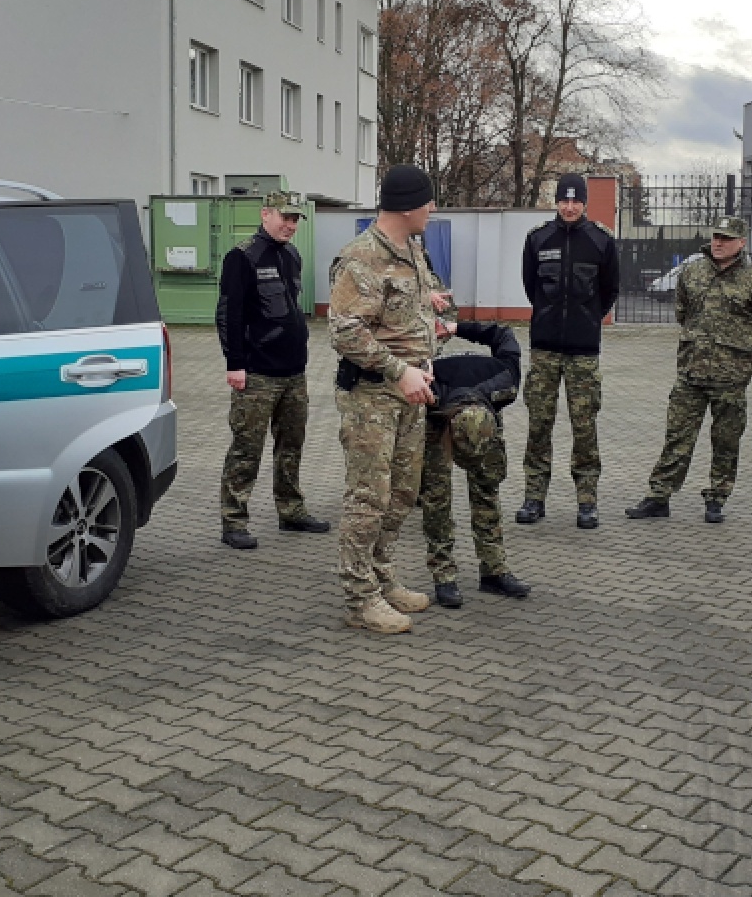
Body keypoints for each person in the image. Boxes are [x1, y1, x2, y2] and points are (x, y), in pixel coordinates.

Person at [327, 164, 439, 634]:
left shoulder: (412, 250)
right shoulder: (361, 258)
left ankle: (383, 578)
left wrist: (435, 326)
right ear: (410, 205)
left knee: (401, 494)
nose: (433, 210)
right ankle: (359, 598)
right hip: (373, 397)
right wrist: (400, 369)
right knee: (368, 498)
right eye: (430, 202)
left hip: (411, 395)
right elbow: (345, 331)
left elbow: (410, 310)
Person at [625, 215, 752, 524]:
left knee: (726, 439)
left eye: (726, 238)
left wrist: (742, 348)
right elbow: (682, 312)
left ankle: (717, 497)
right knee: (677, 436)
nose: (719, 242)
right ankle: (659, 496)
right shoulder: (692, 272)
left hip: (731, 376)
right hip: (691, 371)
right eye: (716, 237)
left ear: (741, 243)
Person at [215, 191, 329, 549]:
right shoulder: (242, 256)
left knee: (291, 444)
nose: (290, 225)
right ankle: (233, 521)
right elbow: (228, 315)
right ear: (266, 214)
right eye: (285, 217)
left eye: (295, 220)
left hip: (293, 370)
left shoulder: (292, 255)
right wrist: (235, 364)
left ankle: (291, 510)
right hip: (257, 373)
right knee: (247, 447)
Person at [516, 173, 620, 530]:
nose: (570, 207)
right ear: (556, 201)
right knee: (539, 425)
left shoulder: (602, 241)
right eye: (564, 200)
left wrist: (586, 319)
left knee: (584, 426)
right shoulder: (537, 239)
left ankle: (587, 501)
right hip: (544, 349)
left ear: (585, 203)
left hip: (583, 352)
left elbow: (609, 292)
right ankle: (534, 497)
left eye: (576, 201)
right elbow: (531, 287)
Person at [419, 316, 529, 609]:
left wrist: (457, 328)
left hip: (480, 414)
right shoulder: (432, 393)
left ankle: (494, 571)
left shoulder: (506, 380)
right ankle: (444, 576)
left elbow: (502, 333)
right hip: (439, 419)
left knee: (487, 491)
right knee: (436, 499)